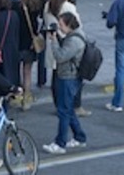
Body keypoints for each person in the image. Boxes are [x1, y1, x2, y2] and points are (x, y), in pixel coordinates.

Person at [42, 12, 88, 155]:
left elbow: (60, 56)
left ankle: (60, 143)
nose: (59, 27)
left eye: (61, 24)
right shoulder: (76, 35)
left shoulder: (74, 41)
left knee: (63, 110)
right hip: (71, 76)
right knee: (68, 109)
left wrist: (54, 40)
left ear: (68, 24)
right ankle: (80, 137)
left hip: (68, 77)